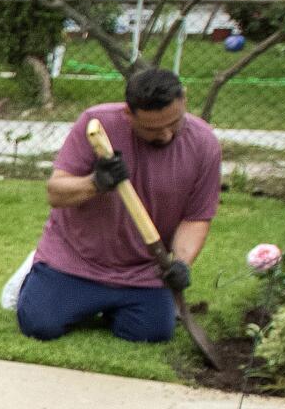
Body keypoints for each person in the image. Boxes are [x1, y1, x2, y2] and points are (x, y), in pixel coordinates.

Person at [14, 67, 223, 346]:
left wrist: (181, 263)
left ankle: (110, 304)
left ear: (184, 98)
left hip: (142, 270)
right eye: (152, 128)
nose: (166, 135)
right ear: (128, 114)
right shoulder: (97, 126)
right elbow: (56, 193)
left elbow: (196, 218)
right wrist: (96, 182)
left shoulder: (204, 144)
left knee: (152, 333)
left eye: (173, 123)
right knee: (39, 324)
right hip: (76, 260)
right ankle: (38, 277)